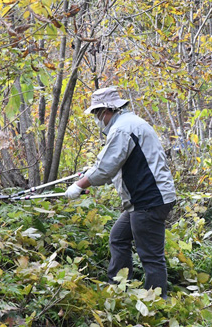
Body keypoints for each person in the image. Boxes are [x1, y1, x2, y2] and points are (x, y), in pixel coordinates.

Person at [64, 87, 177, 298]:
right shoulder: (130, 123)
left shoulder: (122, 129)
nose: (97, 120)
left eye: (97, 114)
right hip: (146, 198)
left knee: (151, 256)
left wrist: (80, 185)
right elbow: (115, 164)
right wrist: (93, 172)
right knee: (118, 237)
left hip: (149, 199)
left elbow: (106, 169)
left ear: (107, 110)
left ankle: (157, 303)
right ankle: (119, 287)